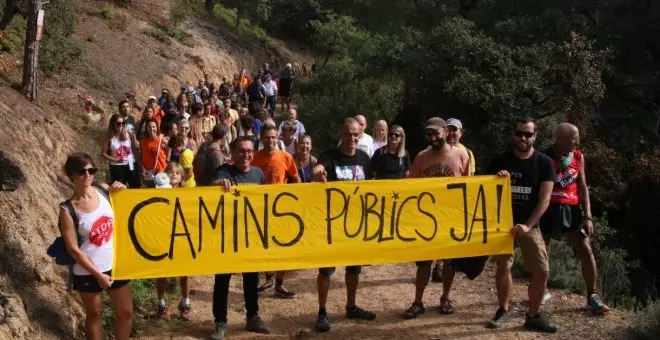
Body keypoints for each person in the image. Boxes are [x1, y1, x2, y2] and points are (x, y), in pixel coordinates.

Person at [486, 117, 557, 333]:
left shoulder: (544, 163)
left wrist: (527, 225)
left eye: (528, 134)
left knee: (542, 270)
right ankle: (502, 310)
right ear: (513, 134)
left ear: (535, 136)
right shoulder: (500, 161)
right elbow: (484, 193)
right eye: (519, 133)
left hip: (529, 225)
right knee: (504, 266)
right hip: (502, 227)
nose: (523, 138)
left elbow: (545, 200)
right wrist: (496, 181)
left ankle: (533, 316)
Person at [312, 117, 376, 333]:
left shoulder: (365, 158)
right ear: (340, 133)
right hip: (332, 225)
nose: (351, 138)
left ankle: (351, 306)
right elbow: (318, 168)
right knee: (326, 270)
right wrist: (319, 173)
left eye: (355, 134)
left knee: (354, 268)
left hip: (356, 225)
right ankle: (322, 312)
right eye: (348, 133)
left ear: (360, 135)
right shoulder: (329, 156)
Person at [402, 117, 469, 319]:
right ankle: (418, 301)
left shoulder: (461, 154)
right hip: (426, 219)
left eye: (436, 134)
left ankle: (445, 298)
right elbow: (410, 186)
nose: (432, 138)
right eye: (429, 134)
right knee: (424, 263)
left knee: (449, 262)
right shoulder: (422, 157)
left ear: (446, 132)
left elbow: (470, 185)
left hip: (450, 217)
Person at [59, 153, 132, 340]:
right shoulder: (68, 209)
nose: (87, 175)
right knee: (95, 314)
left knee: (125, 312)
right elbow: (73, 249)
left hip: (115, 264)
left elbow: (127, 207)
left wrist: (122, 189)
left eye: (91, 170)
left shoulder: (103, 189)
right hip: (87, 271)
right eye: (82, 172)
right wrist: (98, 275)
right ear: (71, 176)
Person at [540, 123, 610, 314]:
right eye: (574, 137)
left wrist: (588, 215)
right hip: (549, 208)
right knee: (543, 249)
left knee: (585, 249)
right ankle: (541, 290)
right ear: (560, 138)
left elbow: (583, 186)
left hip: (572, 209)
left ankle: (593, 295)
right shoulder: (543, 157)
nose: (577, 141)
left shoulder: (578, 156)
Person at [211, 136, 272, 340]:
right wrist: (217, 184)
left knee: (252, 278)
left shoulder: (258, 174)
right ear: (233, 152)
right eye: (241, 151)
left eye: (249, 151)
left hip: (250, 237)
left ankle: (253, 317)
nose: (246, 155)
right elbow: (211, 189)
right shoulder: (224, 171)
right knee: (222, 280)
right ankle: (220, 323)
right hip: (227, 236)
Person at [251, 125, 301, 298]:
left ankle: (279, 284)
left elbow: (296, 178)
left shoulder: (286, 157)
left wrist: (294, 197)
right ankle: (268, 279)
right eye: (267, 137)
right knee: (262, 246)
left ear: (277, 138)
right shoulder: (254, 157)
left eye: (273, 137)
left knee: (284, 247)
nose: (270, 140)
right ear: (261, 138)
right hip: (259, 210)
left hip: (282, 211)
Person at [431, 117, 476, 283]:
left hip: (455, 205)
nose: (451, 133)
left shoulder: (467, 153)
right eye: (448, 129)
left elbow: (470, 179)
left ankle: (442, 265)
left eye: (454, 130)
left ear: (461, 133)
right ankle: (437, 264)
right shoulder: (433, 150)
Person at [153, 165, 193, 320]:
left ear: (182, 176)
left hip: (182, 237)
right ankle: (161, 304)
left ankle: (185, 302)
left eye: (178, 173)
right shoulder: (158, 191)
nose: (174, 175)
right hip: (163, 236)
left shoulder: (187, 193)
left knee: (184, 273)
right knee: (162, 272)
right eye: (171, 172)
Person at [102, 114, 140, 188]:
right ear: (113, 124)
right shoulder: (108, 136)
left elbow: (134, 150)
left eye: (123, 123)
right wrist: (116, 160)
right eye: (118, 123)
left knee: (136, 186)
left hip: (131, 163)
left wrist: (139, 164)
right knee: (119, 189)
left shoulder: (129, 133)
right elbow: (103, 153)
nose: (121, 125)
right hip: (116, 166)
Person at [140, 119, 168, 187]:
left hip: (161, 173)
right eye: (149, 127)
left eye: (153, 127)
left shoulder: (163, 140)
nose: (151, 129)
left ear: (157, 128)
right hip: (148, 174)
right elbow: (141, 156)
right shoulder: (143, 141)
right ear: (146, 128)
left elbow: (169, 155)